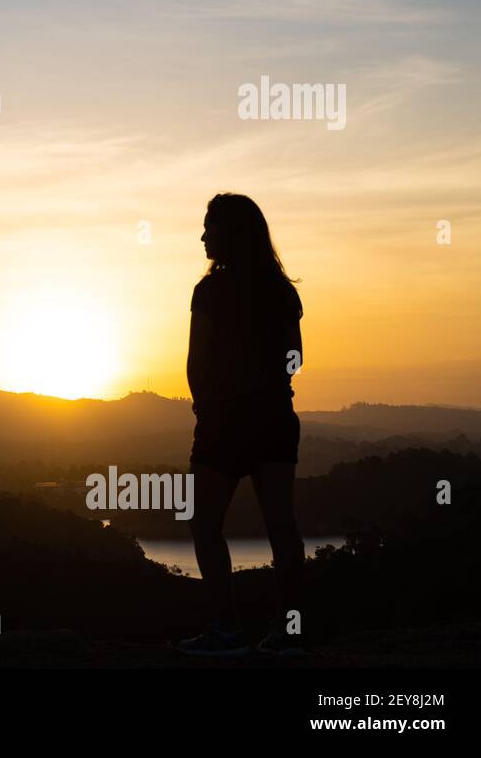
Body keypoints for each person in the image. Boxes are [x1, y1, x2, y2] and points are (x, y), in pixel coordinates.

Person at [175, 193, 307, 656]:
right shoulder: (283, 291)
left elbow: (196, 362)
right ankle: (288, 636)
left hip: (224, 424)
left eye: (210, 227)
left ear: (232, 233)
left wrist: (207, 408)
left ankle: (225, 631)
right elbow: (296, 359)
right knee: (281, 528)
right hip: (274, 418)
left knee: (205, 525)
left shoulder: (208, 292)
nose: (204, 235)